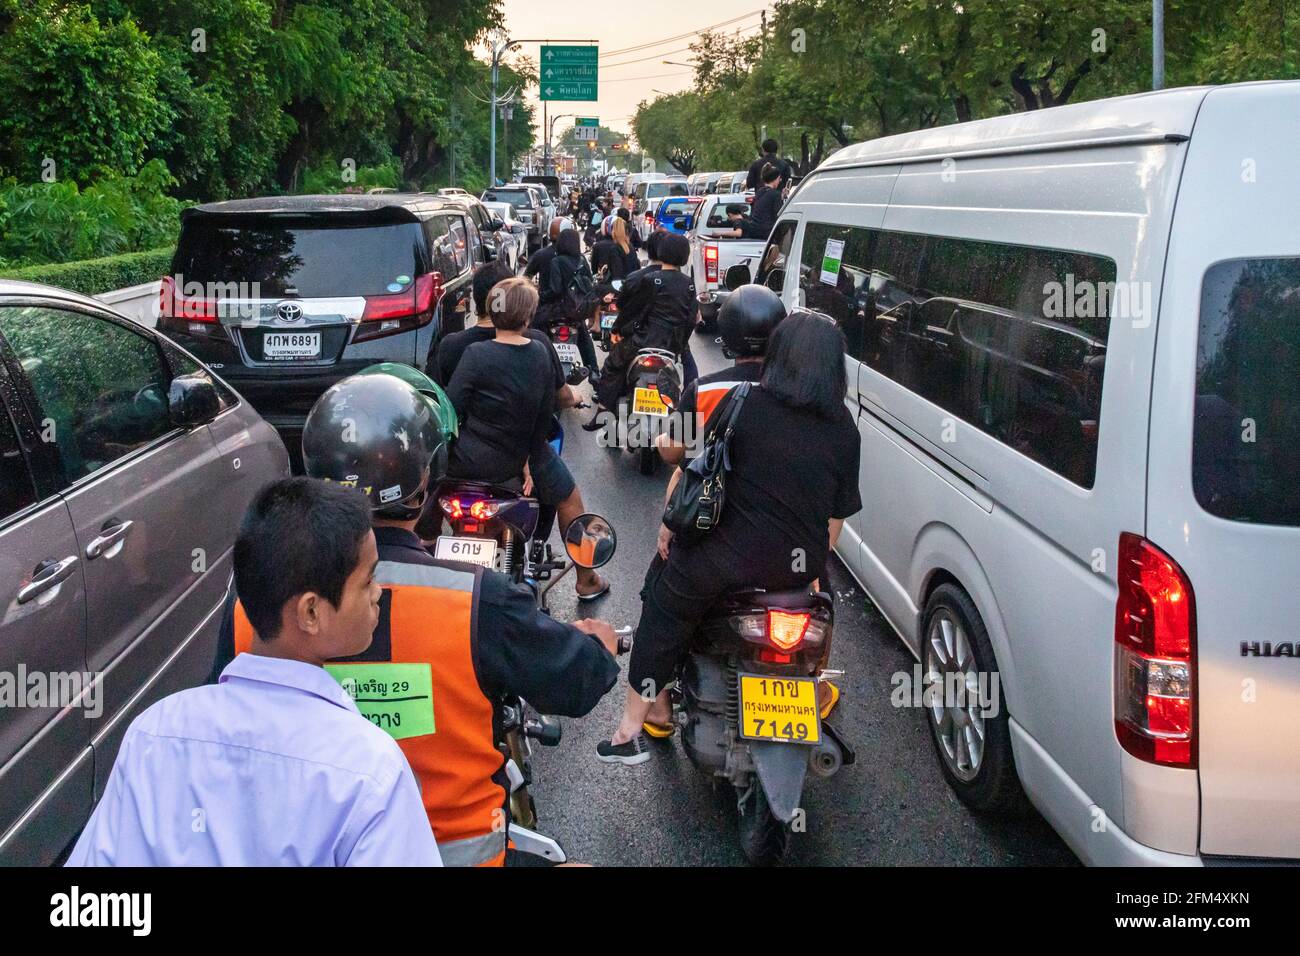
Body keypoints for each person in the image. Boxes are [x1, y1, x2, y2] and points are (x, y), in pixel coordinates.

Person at [214, 375, 621, 866]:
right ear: (427, 477)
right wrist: (598, 646)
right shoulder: (476, 599)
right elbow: (579, 684)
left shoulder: (253, 602)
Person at [71, 478, 441, 866]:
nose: (377, 592)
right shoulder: (370, 770)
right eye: (367, 581)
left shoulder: (154, 732)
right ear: (311, 612)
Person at [597, 312, 862, 764]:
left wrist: (669, 526)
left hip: (719, 562)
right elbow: (833, 526)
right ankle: (812, 687)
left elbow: (692, 472)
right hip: (798, 569)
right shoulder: (844, 430)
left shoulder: (743, 402)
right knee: (824, 616)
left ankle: (629, 730)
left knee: (663, 615)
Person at [448, 276, 609, 599]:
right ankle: (586, 579)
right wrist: (529, 459)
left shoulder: (475, 354)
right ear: (527, 316)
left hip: (467, 462)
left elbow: (452, 408)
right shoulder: (538, 352)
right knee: (569, 498)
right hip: (523, 456)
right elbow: (543, 414)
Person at [586, 233, 699, 429]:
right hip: (672, 345)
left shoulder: (652, 279)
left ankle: (603, 410)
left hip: (643, 341)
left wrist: (617, 329)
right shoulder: (688, 283)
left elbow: (633, 310)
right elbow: (690, 318)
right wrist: (680, 343)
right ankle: (689, 415)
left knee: (613, 366)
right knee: (689, 373)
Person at [536, 227, 600, 374]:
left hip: (557, 311)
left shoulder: (556, 262)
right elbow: (590, 284)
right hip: (576, 312)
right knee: (584, 338)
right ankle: (595, 372)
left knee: (536, 330)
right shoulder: (582, 260)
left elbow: (555, 290)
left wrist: (540, 296)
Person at [590, 216, 640, 282]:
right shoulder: (629, 245)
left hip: (619, 285)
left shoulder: (610, 248)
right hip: (631, 283)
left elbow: (616, 275)